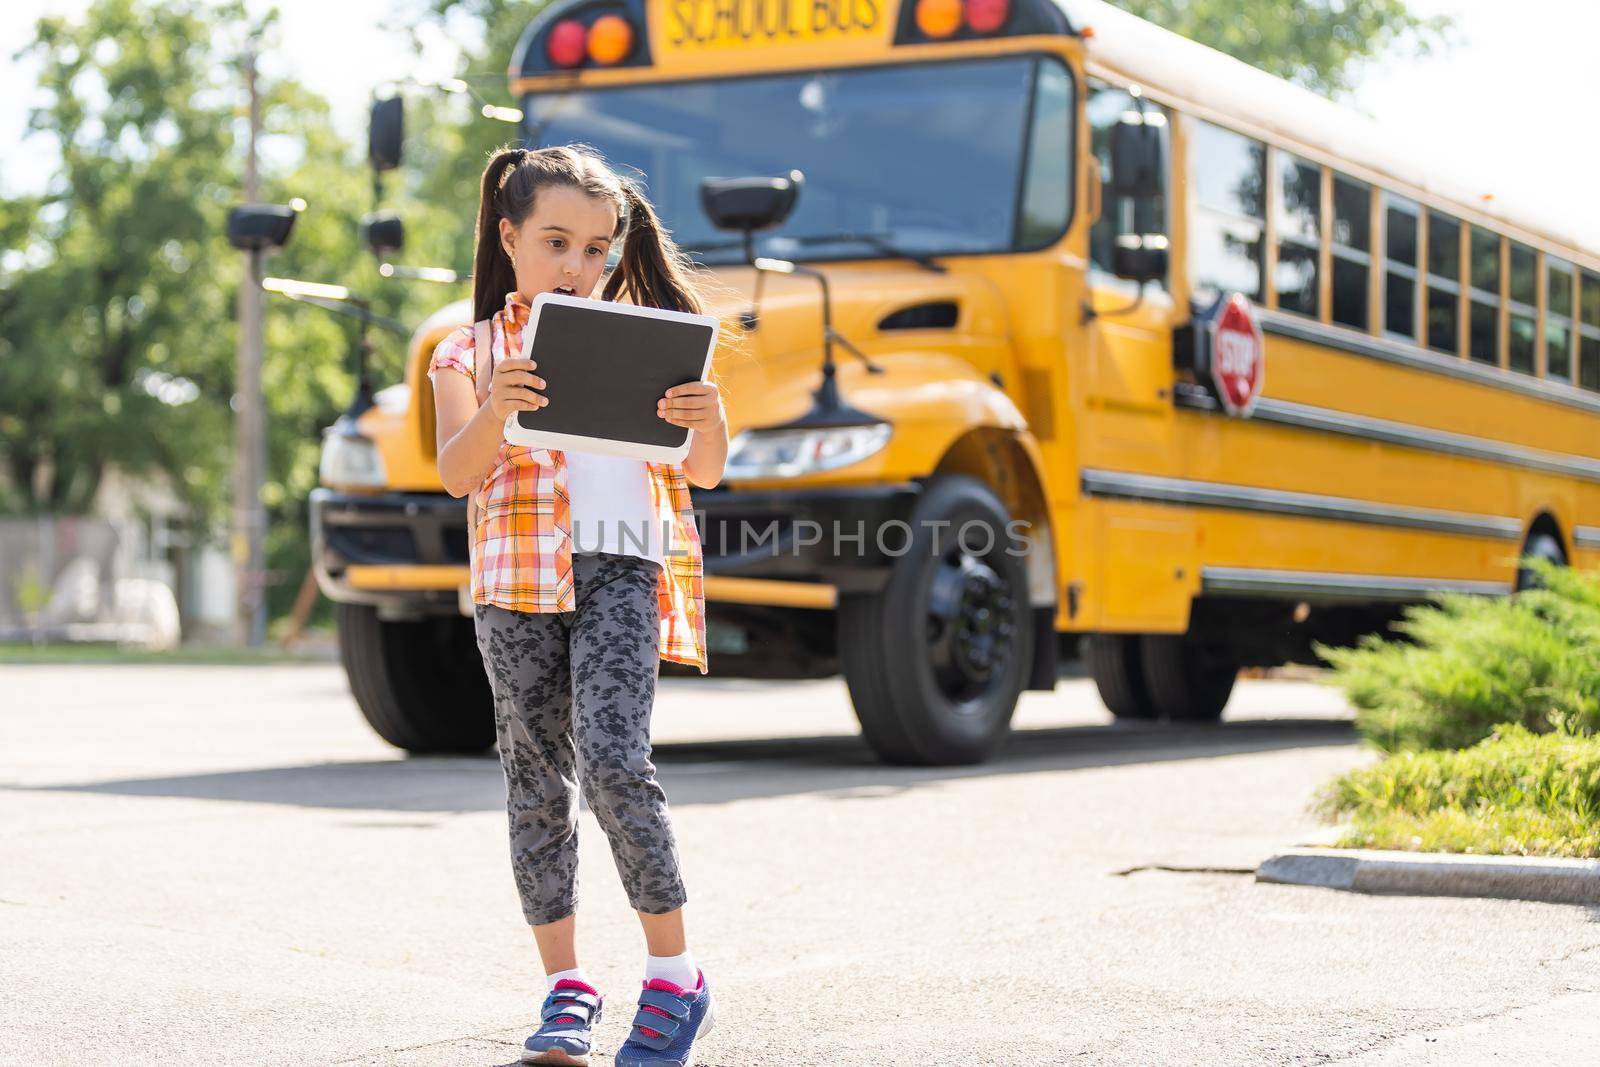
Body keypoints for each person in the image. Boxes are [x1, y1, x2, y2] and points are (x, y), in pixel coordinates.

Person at [429, 143, 726, 1067]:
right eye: (556, 241)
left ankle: (676, 978)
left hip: (621, 569)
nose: (578, 265)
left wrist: (707, 416)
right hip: (513, 583)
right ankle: (567, 988)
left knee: (612, 760)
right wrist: (495, 409)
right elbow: (453, 473)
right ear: (510, 237)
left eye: (597, 248)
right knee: (534, 781)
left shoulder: (649, 341)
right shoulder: (466, 351)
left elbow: (706, 469)